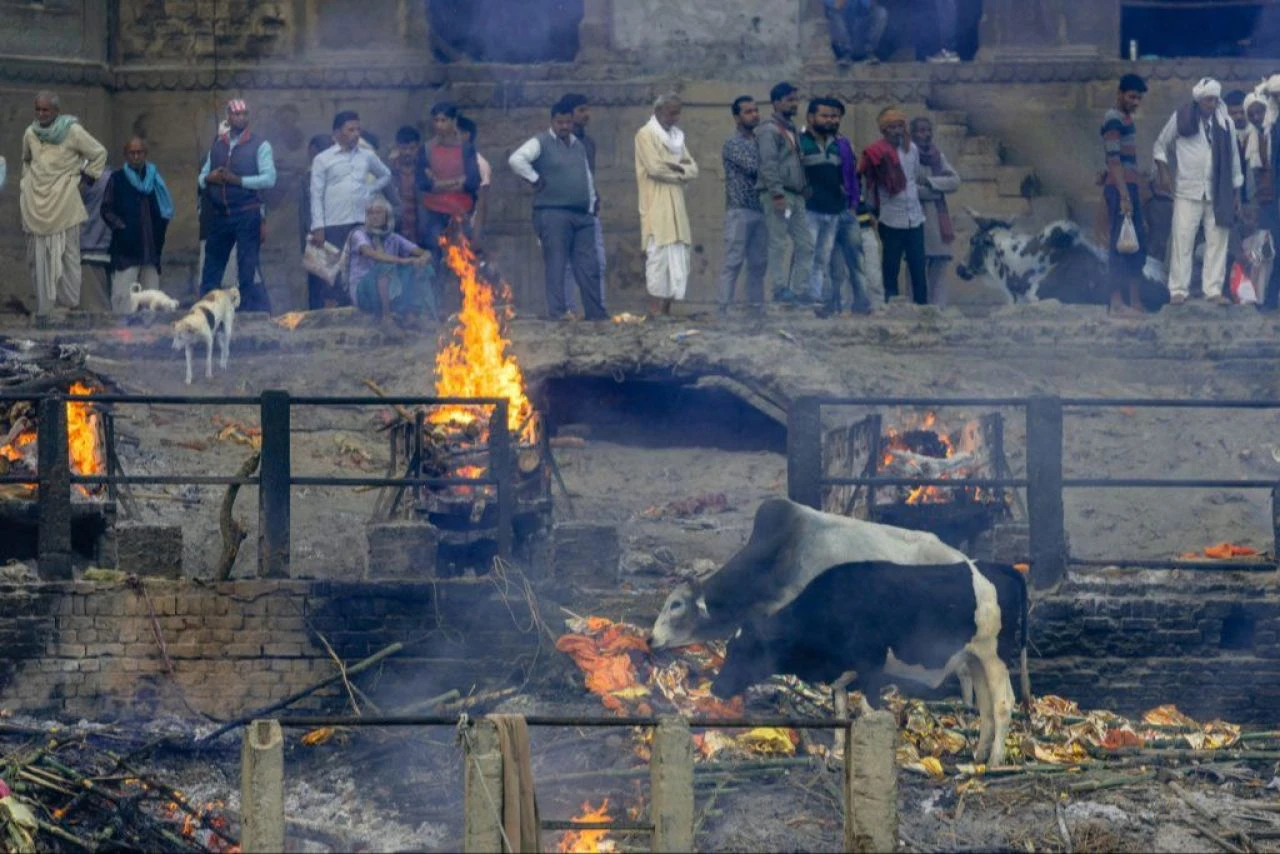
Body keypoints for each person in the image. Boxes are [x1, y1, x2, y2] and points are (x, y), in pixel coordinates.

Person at [508, 98, 607, 320]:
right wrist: (534, 178)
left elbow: (587, 178)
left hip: (582, 214)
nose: (564, 127)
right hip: (552, 213)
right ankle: (558, 313)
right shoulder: (541, 142)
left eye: (568, 123)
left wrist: (591, 205)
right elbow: (516, 160)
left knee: (589, 266)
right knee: (557, 264)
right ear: (552, 121)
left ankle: (596, 313)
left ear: (572, 122)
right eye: (560, 122)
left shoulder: (578, 145)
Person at [1154, 77, 1242, 306]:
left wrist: (1236, 194)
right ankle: (1178, 290)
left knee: (1218, 241)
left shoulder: (1226, 123)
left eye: (1214, 100)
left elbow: (1234, 161)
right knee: (1182, 239)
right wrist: (1164, 173)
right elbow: (1160, 145)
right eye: (1207, 100)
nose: (1211, 104)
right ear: (1199, 100)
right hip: (1187, 190)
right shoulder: (1181, 118)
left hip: (1217, 192)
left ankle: (1213, 290)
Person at [19, 90, 107, 317]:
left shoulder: (72, 131)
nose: (41, 114)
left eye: (45, 110)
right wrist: (26, 185)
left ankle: (68, 305)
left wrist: (85, 180)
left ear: (56, 111)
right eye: (38, 109)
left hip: (65, 201)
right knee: (38, 257)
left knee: (67, 255)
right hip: (36, 204)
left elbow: (98, 153)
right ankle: (45, 308)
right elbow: (26, 160)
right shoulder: (30, 133)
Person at [198, 98, 276, 312]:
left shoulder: (260, 145)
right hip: (220, 215)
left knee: (247, 267)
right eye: (237, 114)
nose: (241, 118)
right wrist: (210, 178)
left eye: (244, 114)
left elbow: (269, 179)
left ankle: (246, 313)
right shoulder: (218, 145)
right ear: (229, 117)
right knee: (212, 267)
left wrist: (238, 180)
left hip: (247, 213)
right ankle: (207, 313)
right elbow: (201, 177)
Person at [308, 111, 391, 307]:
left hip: (361, 222)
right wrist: (318, 226)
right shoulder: (323, 159)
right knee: (333, 275)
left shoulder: (367, 156)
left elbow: (385, 175)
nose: (356, 134)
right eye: (350, 130)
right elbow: (316, 194)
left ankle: (360, 310)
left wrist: (369, 190)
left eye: (358, 130)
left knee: (361, 269)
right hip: (334, 222)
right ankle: (335, 317)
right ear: (337, 133)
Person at [635, 93, 699, 317]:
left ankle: (666, 312)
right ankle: (654, 312)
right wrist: (680, 168)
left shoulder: (677, 138)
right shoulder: (645, 134)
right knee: (658, 258)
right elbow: (655, 169)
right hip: (656, 204)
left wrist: (677, 168)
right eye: (672, 113)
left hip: (677, 207)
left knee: (679, 258)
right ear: (659, 112)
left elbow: (694, 169)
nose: (676, 118)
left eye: (678, 113)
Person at [860, 107, 928, 305]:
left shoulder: (911, 149)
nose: (897, 131)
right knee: (891, 266)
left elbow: (913, 176)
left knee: (918, 266)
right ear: (884, 130)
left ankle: (922, 307)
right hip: (890, 218)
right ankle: (890, 305)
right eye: (892, 127)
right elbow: (867, 182)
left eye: (900, 126)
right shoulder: (876, 152)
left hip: (915, 217)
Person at [757, 82, 814, 305]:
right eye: (790, 100)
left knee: (806, 244)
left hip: (795, 195)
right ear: (776, 102)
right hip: (779, 195)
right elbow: (768, 164)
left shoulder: (792, 129)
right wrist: (777, 193)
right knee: (778, 243)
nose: (795, 104)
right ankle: (778, 289)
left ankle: (799, 290)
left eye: (796, 99)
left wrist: (804, 186)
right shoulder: (769, 130)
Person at [102, 138, 173, 314]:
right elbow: (106, 209)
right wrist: (121, 227)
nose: (136, 156)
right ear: (126, 155)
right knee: (124, 297)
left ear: (145, 154)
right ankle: (122, 329)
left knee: (152, 299)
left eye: (139, 152)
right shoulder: (117, 179)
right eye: (132, 153)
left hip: (151, 247)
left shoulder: (154, 178)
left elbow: (165, 210)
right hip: (126, 249)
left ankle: (150, 331)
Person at [1101, 73, 1150, 317]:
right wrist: (1123, 195)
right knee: (1119, 245)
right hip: (1121, 189)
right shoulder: (1113, 119)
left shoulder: (1126, 119)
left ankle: (1135, 301)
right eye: (1131, 97)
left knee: (1135, 243)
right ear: (1119, 94)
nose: (1135, 102)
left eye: (1138, 98)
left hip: (1128, 187)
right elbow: (1114, 160)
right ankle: (1117, 302)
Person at [347, 198, 436, 327]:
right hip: (364, 292)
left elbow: (422, 252)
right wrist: (402, 261)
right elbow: (372, 254)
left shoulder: (393, 237)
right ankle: (386, 318)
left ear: (387, 216)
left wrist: (424, 258)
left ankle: (412, 315)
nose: (374, 216)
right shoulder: (358, 234)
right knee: (384, 266)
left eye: (378, 213)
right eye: (370, 213)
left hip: (387, 288)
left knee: (419, 267)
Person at [717, 95, 768, 314]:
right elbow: (755, 168)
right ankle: (723, 308)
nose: (754, 115)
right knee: (733, 261)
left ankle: (756, 309)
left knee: (759, 263)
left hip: (761, 209)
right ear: (737, 117)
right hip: (740, 209)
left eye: (756, 110)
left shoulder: (762, 141)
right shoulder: (733, 143)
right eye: (748, 112)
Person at [559, 93, 607, 315]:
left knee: (598, 261)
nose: (587, 114)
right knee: (567, 265)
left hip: (588, 210)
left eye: (587, 109)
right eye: (581, 110)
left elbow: (590, 177)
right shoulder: (558, 143)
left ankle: (598, 309)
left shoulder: (589, 143)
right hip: (564, 211)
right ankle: (568, 311)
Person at [417, 102, 482, 260]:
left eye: (443, 120)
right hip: (433, 213)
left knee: (463, 259)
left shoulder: (466, 149)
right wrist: (456, 182)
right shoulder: (426, 149)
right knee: (434, 256)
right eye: (436, 120)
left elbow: (472, 182)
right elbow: (423, 183)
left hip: (460, 211)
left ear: (453, 122)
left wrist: (438, 184)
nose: (439, 125)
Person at [800, 98, 848, 308]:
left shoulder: (838, 145)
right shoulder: (800, 142)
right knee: (806, 254)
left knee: (822, 258)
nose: (830, 120)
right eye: (825, 116)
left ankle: (815, 296)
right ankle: (801, 296)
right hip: (809, 209)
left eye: (834, 116)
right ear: (811, 117)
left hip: (833, 210)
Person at [911, 117, 960, 306]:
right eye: (921, 131)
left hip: (938, 219)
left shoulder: (937, 156)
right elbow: (909, 189)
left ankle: (939, 308)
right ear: (913, 134)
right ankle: (915, 307)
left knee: (939, 264)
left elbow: (954, 181)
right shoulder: (908, 156)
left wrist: (931, 183)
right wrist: (935, 191)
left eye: (928, 130)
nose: (926, 134)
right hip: (916, 216)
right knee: (917, 264)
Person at [1245, 93, 1280, 308]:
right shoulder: (1251, 138)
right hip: (1264, 204)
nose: (1256, 117)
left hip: (1276, 199)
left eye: (1260, 111)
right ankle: (1265, 297)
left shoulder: (1274, 133)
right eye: (1252, 114)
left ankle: (1270, 298)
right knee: (1266, 252)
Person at [78, 162, 114, 313]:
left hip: (90, 249)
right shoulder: (112, 177)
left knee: (96, 309)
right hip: (108, 249)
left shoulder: (90, 181)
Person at [456, 117, 492, 243]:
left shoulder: (481, 164)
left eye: (454, 134)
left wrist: (476, 235)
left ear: (466, 135)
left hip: (467, 228)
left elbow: (482, 203)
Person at [825, 0, 887, 64]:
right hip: (843, 41)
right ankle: (845, 54)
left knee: (880, 12)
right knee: (834, 12)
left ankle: (869, 53)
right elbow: (835, 6)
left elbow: (869, 5)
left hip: (860, 39)